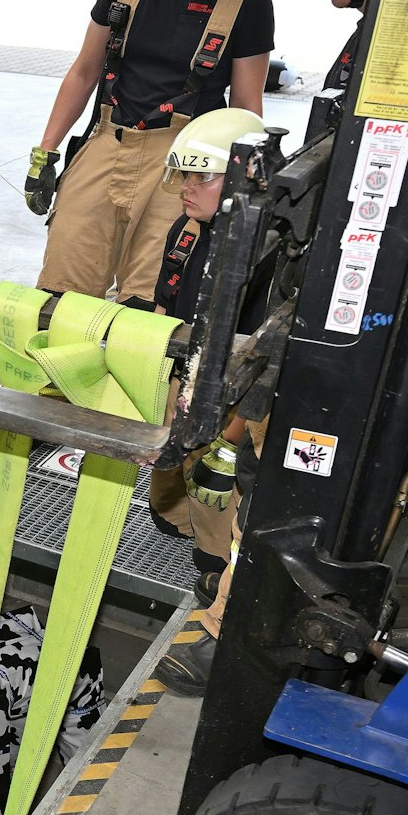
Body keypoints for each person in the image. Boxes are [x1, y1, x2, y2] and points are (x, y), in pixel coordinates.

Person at [24, 0, 276, 306]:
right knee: (59, 297)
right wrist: (46, 151)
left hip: (182, 168)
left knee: (147, 311)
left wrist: (231, 187)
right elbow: (84, 71)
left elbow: (245, 112)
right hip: (107, 140)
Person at [143, 107, 271, 698]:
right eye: (183, 178)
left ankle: (226, 597)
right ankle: (203, 547)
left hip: (249, 395)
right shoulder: (188, 231)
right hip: (197, 376)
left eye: (204, 178)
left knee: (232, 491)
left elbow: (267, 365)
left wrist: (230, 442)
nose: (188, 190)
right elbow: (170, 313)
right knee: (174, 493)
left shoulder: (269, 256)